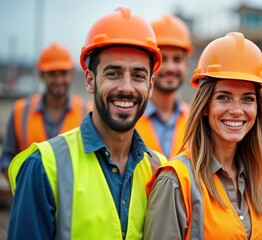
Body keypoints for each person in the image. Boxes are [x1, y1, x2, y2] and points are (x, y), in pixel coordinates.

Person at [8, 7, 167, 239]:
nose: (126, 87)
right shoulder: (43, 167)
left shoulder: (159, 169)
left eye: (138, 75)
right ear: (90, 81)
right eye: (113, 73)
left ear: (151, 86)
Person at [144, 32, 262, 239]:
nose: (237, 110)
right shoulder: (176, 181)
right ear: (205, 106)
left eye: (248, 99)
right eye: (224, 97)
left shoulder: (251, 175)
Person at [0, 42, 93, 175]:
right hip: (30, 193)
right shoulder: (21, 111)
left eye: (63, 73)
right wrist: (22, 188)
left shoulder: (88, 111)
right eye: (52, 74)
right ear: (42, 75)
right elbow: (7, 160)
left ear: (71, 74)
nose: (59, 80)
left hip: (73, 194)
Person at [135, 14, 193, 158]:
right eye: (163, 59)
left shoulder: (195, 120)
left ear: (186, 65)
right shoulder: (127, 116)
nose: (170, 67)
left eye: (177, 59)